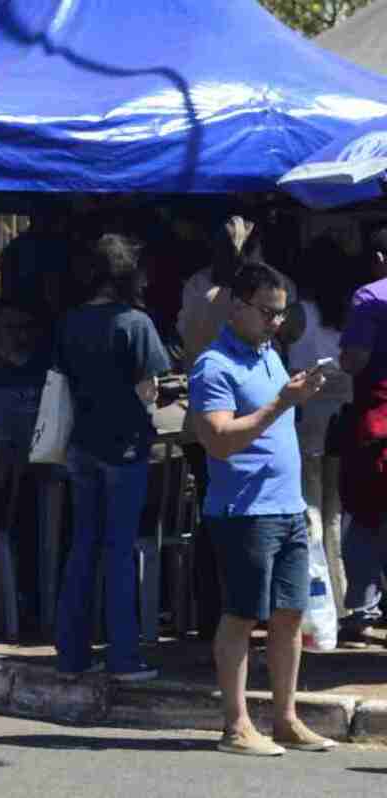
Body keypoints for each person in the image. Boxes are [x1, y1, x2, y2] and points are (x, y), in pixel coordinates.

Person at [190, 261, 335, 756]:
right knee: (241, 616)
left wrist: (295, 393)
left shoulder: (270, 354)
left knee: (290, 615)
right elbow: (218, 441)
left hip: (288, 506)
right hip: (244, 511)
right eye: (267, 312)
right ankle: (236, 726)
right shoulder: (213, 366)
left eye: (282, 313)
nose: (276, 322)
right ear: (237, 306)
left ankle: (286, 718)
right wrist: (282, 403)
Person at [54, 234, 170, 680]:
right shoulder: (134, 323)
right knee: (120, 549)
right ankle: (123, 656)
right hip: (124, 446)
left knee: (82, 547)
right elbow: (149, 391)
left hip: (81, 444)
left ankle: (72, 655)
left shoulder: (70, 321)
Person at [292, 237, 355, 626]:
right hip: (344, 419)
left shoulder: (298, 314)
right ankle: (347, 599)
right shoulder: (351, 312)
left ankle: (318, 603)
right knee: (340, 515)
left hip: (309, 422)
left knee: (311, 511)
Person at [336, 226, 387, 649]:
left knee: (366, 517)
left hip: (378, 423)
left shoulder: (370, 297)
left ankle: (363, 611)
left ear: (380, 260)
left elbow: (354, 361)